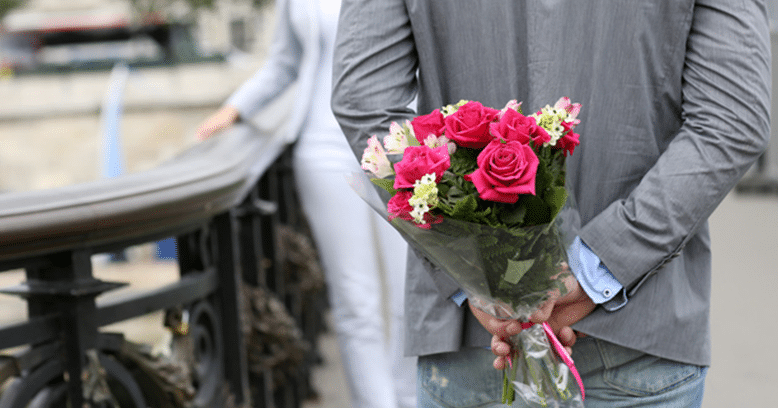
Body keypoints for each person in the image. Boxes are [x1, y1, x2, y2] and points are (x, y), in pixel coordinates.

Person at [331, 1, 771, 406]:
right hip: (637, 328)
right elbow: (733, 120)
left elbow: (365, 103)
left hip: (476, 334)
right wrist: (599, 266)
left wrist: (485, 275)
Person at [195, 0, 417, 407]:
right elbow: (284, 63)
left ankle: (412, 399)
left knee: (411, 296)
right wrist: (233, 110)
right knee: (355, 300)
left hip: (399, 145)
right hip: (324, 148)